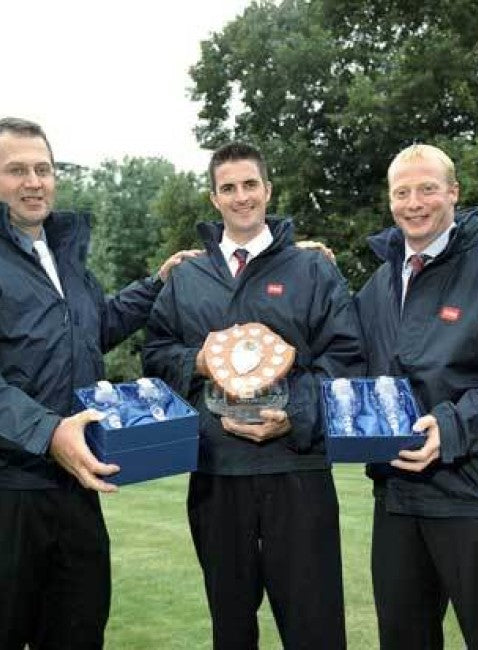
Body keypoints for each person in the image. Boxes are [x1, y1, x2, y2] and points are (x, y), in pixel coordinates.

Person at [0, 117, 196, 650]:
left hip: (72, 489)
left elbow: (91, 330)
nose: (33, 182)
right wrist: (47, 432)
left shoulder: (63, 260)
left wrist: (155, 286)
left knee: (78, 630)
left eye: (43, 169)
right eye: (16, 170)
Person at [143, 142, 365, 650]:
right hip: (217, 476)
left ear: (267, 190)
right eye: (228, 188)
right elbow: (155, 357)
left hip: (298, 472)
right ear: (214, 198)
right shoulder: (186, 277)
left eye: (250, 185)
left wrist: (293, 415)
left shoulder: (313, 269)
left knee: (315, 631)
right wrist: (195, 360)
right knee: (232, 632)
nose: (241, 197)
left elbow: (347, 361)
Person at [355, 143, 478, 650]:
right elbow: (346, 372)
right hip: (397, 498)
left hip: (477, 495)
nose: (414, 202)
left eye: (428, 188)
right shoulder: (377, 284)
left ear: (454, 194)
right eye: (402, 192)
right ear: (390, 200)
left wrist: (453, 427)